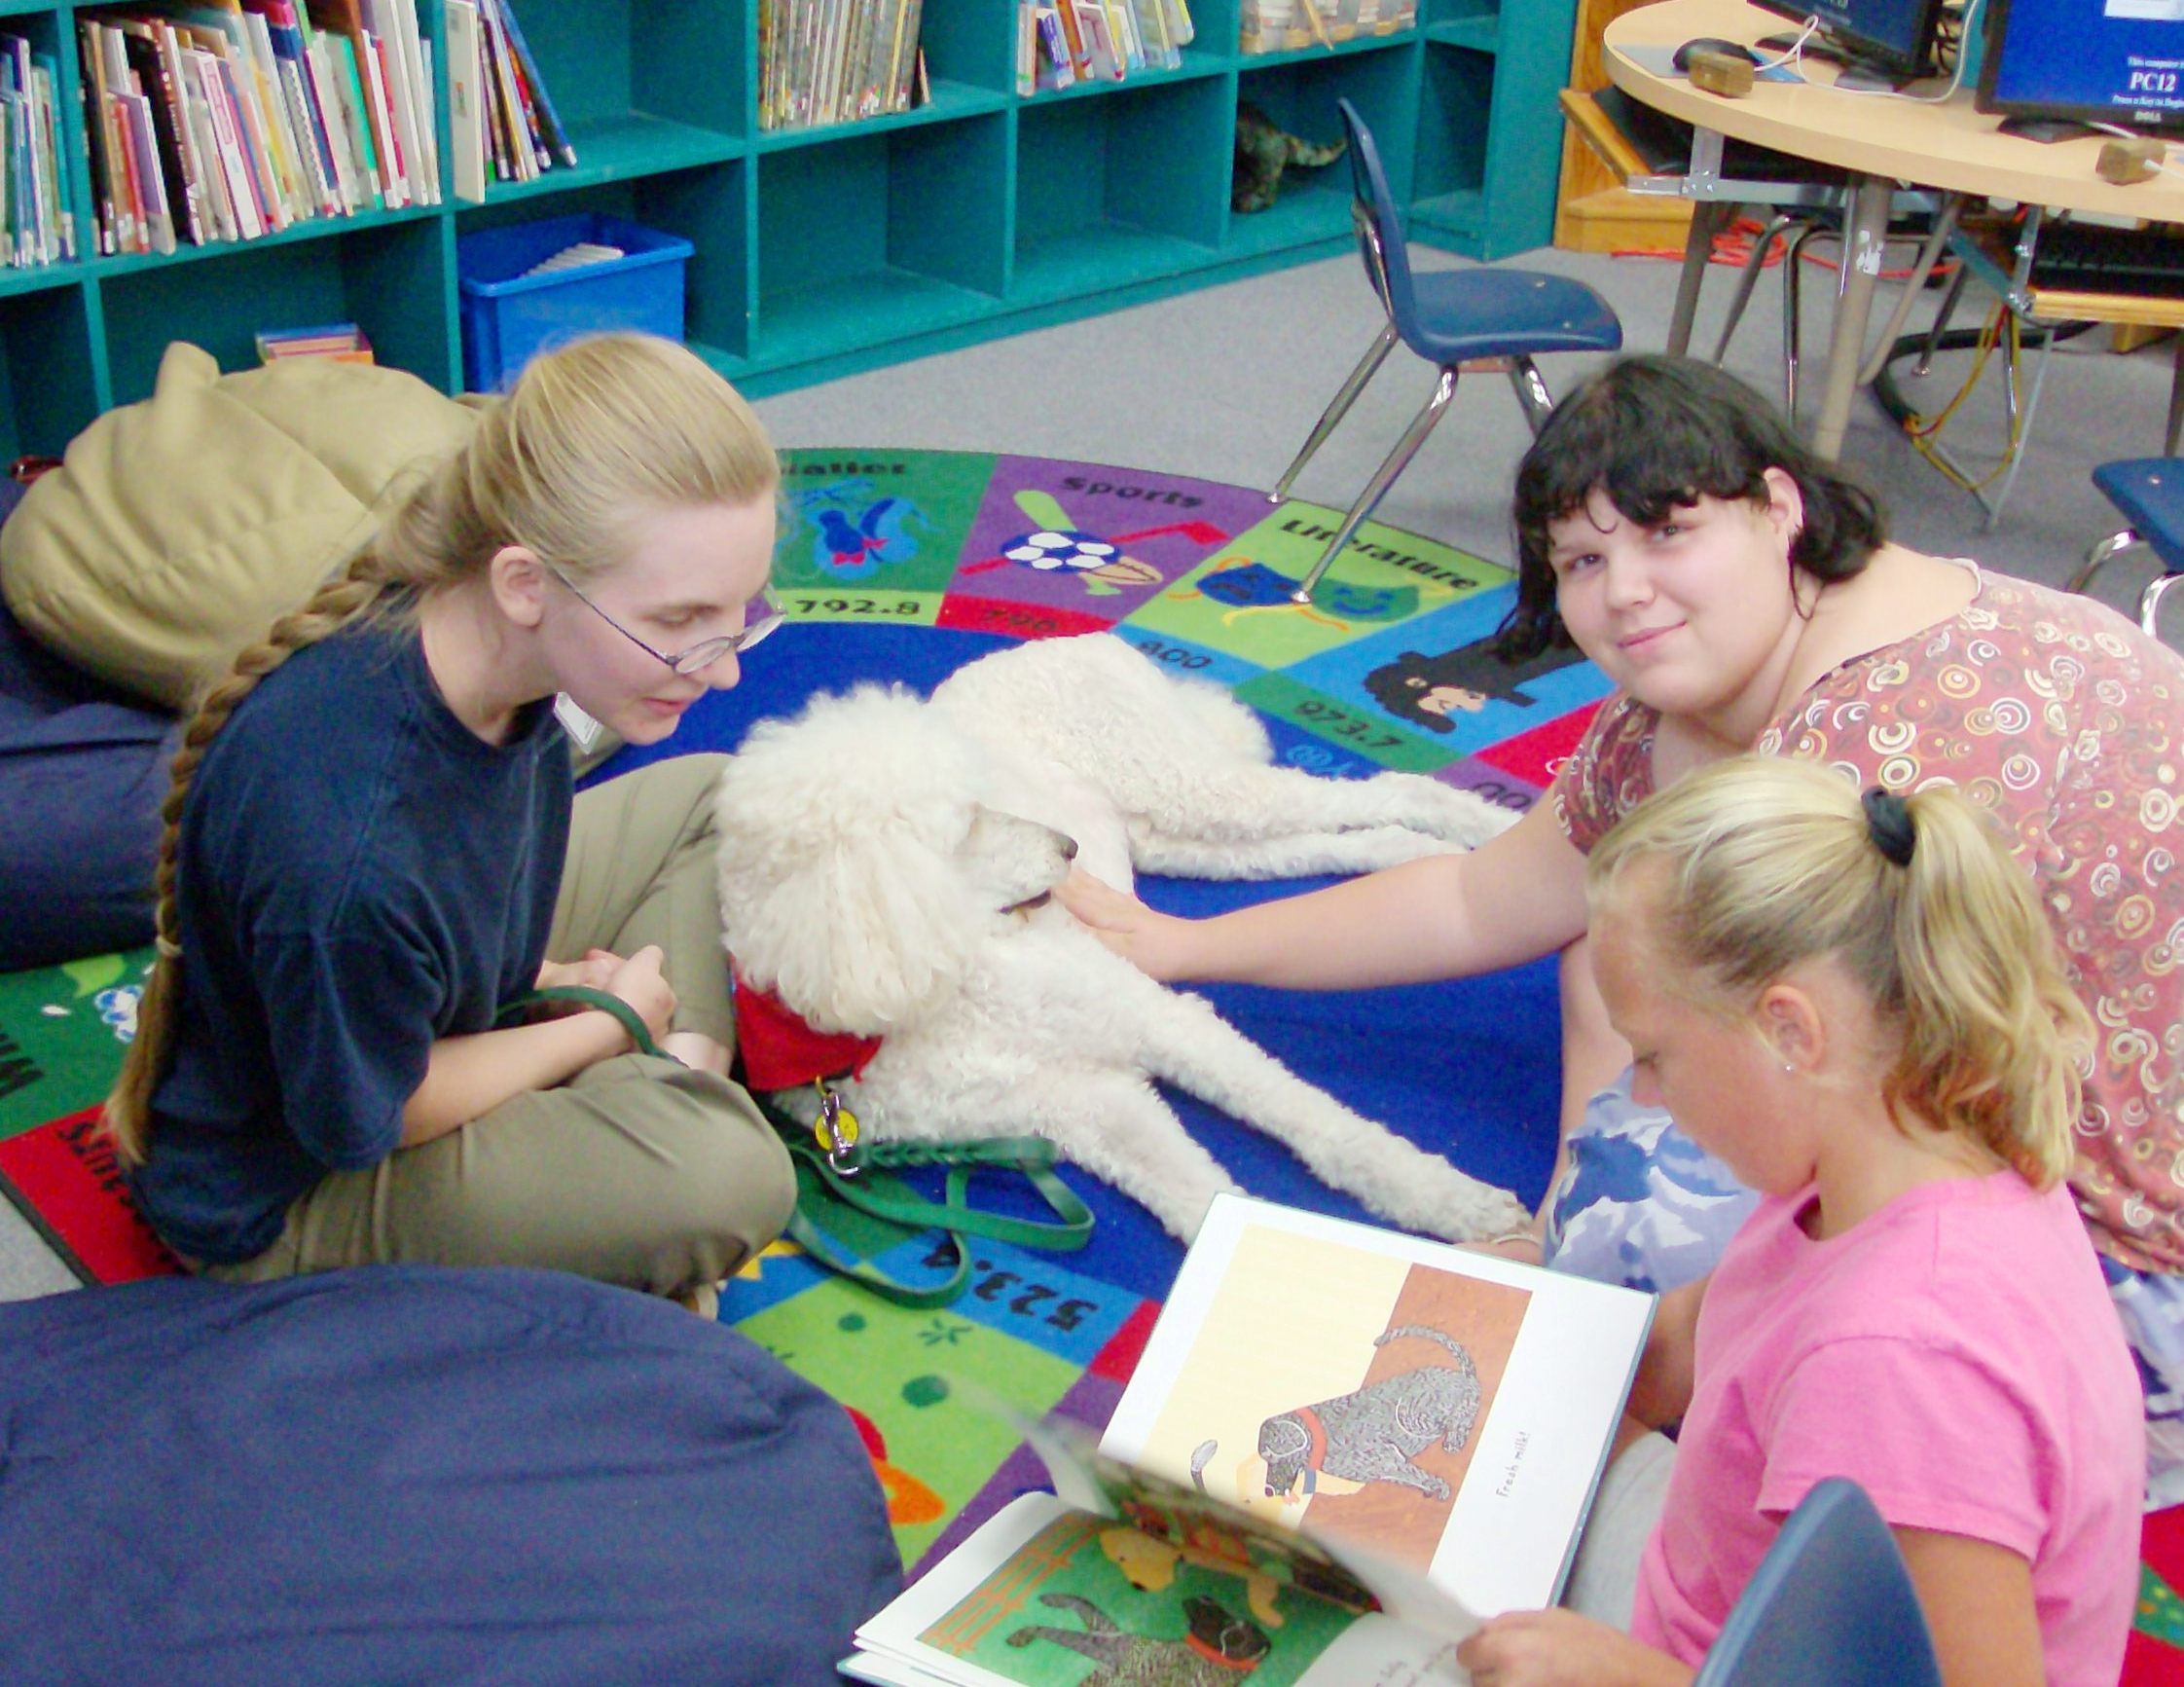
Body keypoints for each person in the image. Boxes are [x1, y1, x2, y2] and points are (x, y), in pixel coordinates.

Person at [1058, 352, 2184, 1491]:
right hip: (1992, 1137)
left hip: (2120, 1266)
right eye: (1585, 560)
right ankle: (1581, 1258)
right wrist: (1189, 945)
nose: (1625, 593)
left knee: (1651, 1221)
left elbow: (1858, 1147)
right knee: (1626, 913)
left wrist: (1606, 1319)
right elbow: (1482, 896)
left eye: (1667, 534)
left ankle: (1598, 1285)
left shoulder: (1867, 753)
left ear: (1781, 507)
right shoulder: (1776, 652)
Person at [102, 331, 796, 1305]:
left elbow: (467, 886)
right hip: (298, 1190)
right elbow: (377, 1112)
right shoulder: (352, 854)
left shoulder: (481, 635)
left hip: (422, 1008)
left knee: (726, 795)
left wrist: (554, 980)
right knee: (736, 1175)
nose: (723, 667)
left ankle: (657, 1109)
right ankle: (658, 1112)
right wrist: (599, 1027)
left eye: (737, 614)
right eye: (680, 622)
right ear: (525, 584)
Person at [1457, 757, 2142, 1687]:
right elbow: (1677, 1348)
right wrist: (1481, 1332)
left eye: (1655, 1054)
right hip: (1723, 1605)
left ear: (1792, 1032)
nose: (1640, 1093)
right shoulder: (1885, 1150)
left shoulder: (1900, 1360)